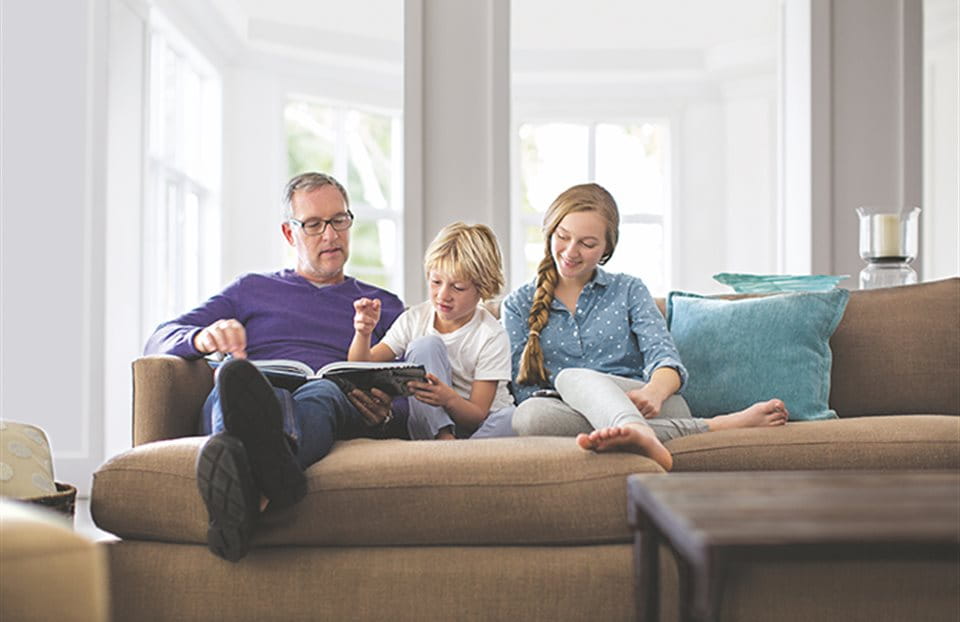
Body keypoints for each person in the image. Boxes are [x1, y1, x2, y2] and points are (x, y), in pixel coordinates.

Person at [144, 172, 405, 562]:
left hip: (331, 397)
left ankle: (244, 493)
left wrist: (386, 414)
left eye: (339, 220)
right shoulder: (250, 289)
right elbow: (160, 337)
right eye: (314, 224)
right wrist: (203, 338)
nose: (330, 235)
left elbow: (412, 390)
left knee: (322, 391)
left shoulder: (382, 304)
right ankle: (276, 479)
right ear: (289, 233)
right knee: (240, 381)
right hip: (255, 386)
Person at [502, 183, 788, 471]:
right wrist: (591, 403)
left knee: (573, 378)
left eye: (587, 244)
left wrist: (654, 392)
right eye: (563, 237)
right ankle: (703, 427)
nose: (571, 252)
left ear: (606, 249)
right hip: (562, 408)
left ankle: (633, 427)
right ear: (550, 232)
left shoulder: (628, 289)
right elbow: (524, 390)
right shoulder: (517, 304)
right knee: (530, 416)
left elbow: (664, 358)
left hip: (646, 403)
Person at [349, 222, 515, 440]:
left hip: (479, 424)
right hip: (430, 424)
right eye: (436, 282)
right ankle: (444, 439)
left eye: (457, 287)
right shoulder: (415, 319)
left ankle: (459, 457)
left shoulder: (491, 335)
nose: (443, 295)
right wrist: (363, 332)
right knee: (425, 345)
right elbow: (362, 366)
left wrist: (449, 399)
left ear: (482, 288)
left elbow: (477, 415)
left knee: (512, 418)